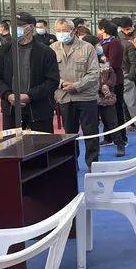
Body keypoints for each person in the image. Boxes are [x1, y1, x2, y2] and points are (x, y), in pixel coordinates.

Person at [0, 12, 60, 132]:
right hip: (11, 109)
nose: (14, 29)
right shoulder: (5, 50)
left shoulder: (46, 52)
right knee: (11, 146)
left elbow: (52, 81)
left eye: (18, 26)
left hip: (39, 110)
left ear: (30, 28)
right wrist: (7, 95)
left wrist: (30, 96)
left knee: (42, 146)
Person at [51, 18, 103, 166]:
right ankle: (71, 163)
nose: (62, 34)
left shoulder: (87, 48)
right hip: (65, 97)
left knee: (91, 133)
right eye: (59, 31)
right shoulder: (52, 48)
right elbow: (49, 73)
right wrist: (61, 84)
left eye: (65, 31)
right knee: (69, 134)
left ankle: (93, 164)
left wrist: (77, 86)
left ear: (73, 31)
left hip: (86, 97)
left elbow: (94, 74)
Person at [97, 19, 127, 144]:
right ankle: (108, 137)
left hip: (114, 80)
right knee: (105, 109)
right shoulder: (101, 42)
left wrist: (103, 63)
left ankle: (121, 137)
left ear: (103, 29)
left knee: (117, 109)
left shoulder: (114, 42)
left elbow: (114, 63)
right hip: (103, 80)